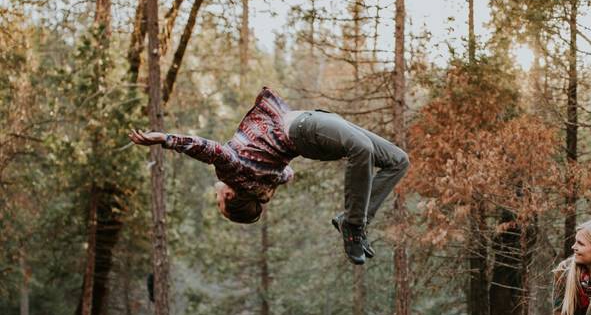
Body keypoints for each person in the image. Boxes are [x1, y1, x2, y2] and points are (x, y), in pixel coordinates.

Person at [129, 86, 409, 265]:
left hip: (317, 123)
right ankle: (353, 223)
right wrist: (164, 139)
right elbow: (210, 149)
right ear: (229, 195)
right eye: (220, 203)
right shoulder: (233, 173)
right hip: (305, 129)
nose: (217, 196)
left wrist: (276, 167)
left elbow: (287, 172)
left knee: (398, 160)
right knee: (361, 149)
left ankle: (350, 220)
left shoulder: (262, 183)